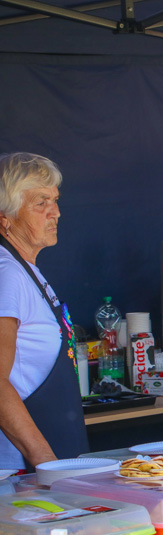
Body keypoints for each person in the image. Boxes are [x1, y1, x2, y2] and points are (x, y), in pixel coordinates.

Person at [0, 152, 89, 470]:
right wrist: (44, 460)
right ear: (4, 217)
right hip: (19, 471)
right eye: (41, 202)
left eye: (55, 200)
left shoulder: (24, 269)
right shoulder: (6, 273)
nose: (56, 213)